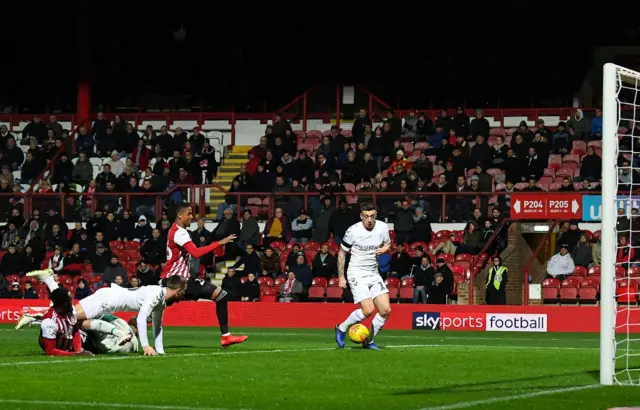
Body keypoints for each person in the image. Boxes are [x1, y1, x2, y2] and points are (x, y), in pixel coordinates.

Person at [21, 270, 186, 356]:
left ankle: (45, 290)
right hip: (109, 300)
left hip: (108, 297)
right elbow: (142, 318)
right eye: (183, 292)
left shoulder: (161, 301)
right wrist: (145, 346)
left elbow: (158, 326)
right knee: (69, 315)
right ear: (178, 290)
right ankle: (48, 282)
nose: (183, 295)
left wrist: (160, 350)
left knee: (69, 313)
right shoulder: (156, 293)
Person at [161, 204, 247, 348]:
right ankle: (226, 337)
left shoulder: (175, 231)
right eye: (189, 213)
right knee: (154, 307)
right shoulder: (180, 232)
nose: (192, 216)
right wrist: (219, 242)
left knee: (155, 307)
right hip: (176, 281)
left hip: (177, 280)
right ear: (179, 216)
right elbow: (196, 253)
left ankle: (226, 337)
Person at [334, 202, 391, 350]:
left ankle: (369, 341)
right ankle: (341, 327)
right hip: (356, 272)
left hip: (373, 272)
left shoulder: (382, 228)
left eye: (372, 216)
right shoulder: (353, 231)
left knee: (385, 310)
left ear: (376, 216)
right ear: (361, 216)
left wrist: (384, 249)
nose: (369, 220)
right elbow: (341, 252)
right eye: (366, 217)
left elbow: (388, 245)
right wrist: (341, 276)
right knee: (368, 310)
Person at [38, 287, 94, 357]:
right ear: (64, 304)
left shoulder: (70, 312)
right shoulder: (49, 322)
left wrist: (78, 350)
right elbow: (50, 351)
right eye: (70, 301)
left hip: (77, 341)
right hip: (66, 346)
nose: (72, 303)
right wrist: (76, 354)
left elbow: (76, 332)